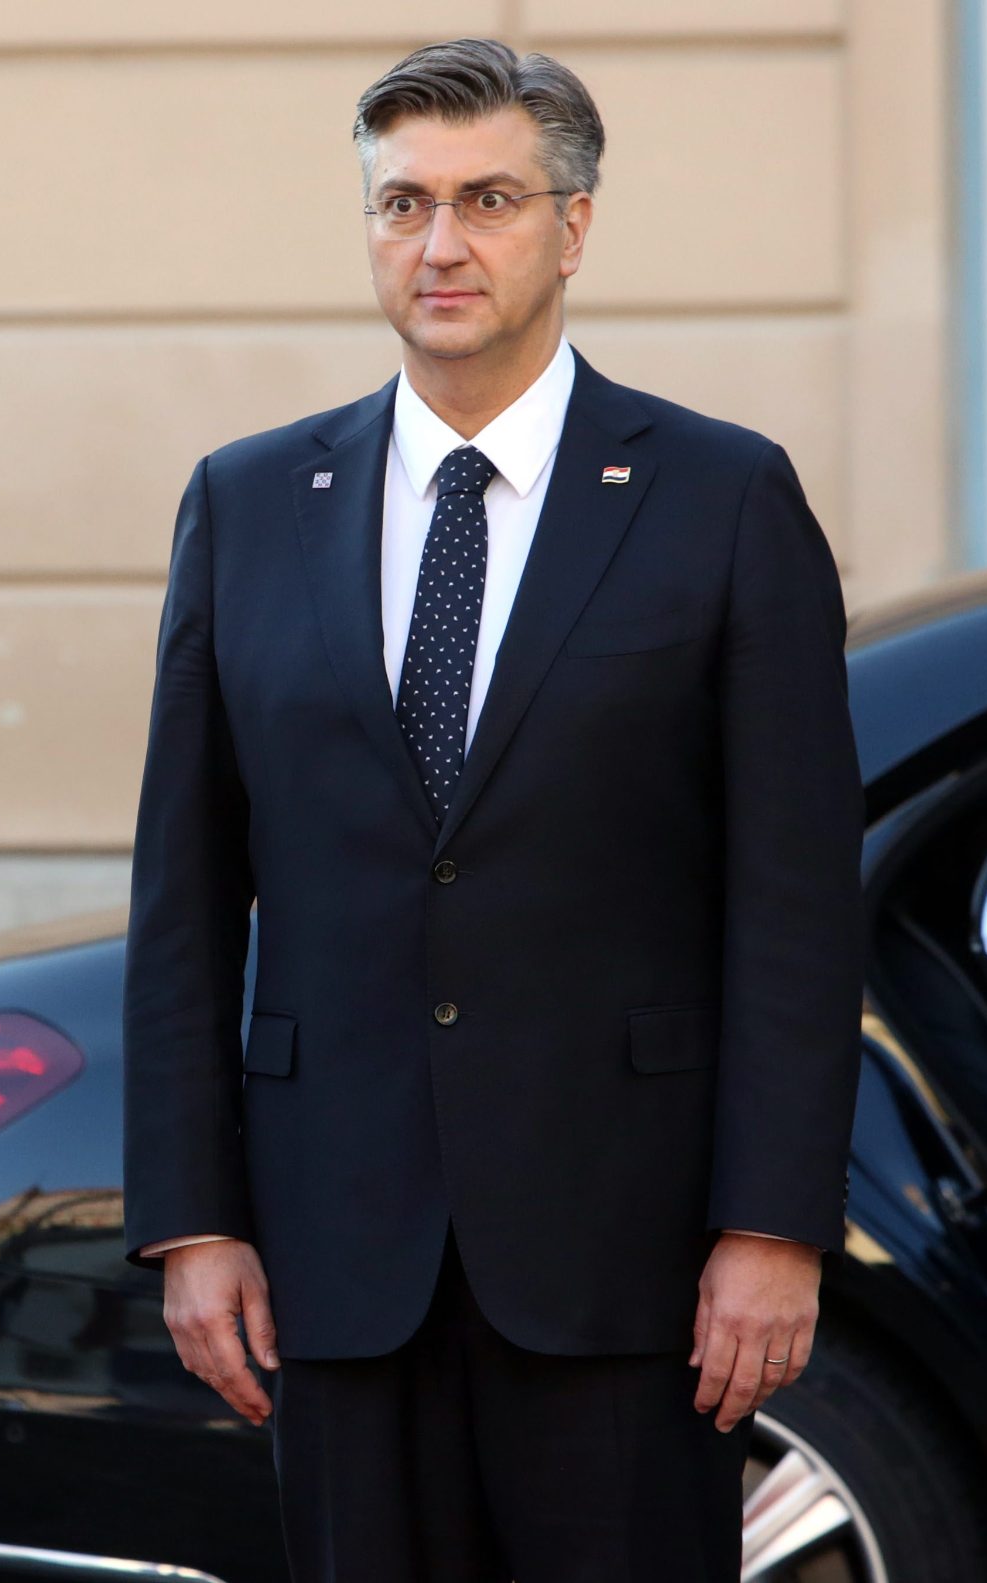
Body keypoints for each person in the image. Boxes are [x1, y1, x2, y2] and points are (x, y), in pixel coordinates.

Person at [121, 40, 862, 1582]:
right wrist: (192, 1222)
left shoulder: (721, 497)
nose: (439, 243)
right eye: (401, 203)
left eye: (488, 199)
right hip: (333, 1248)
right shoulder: (248, 502)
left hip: (627, 1253)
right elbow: (184, 896)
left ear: (572, 226)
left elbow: (793, 899)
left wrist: (774, 1227)